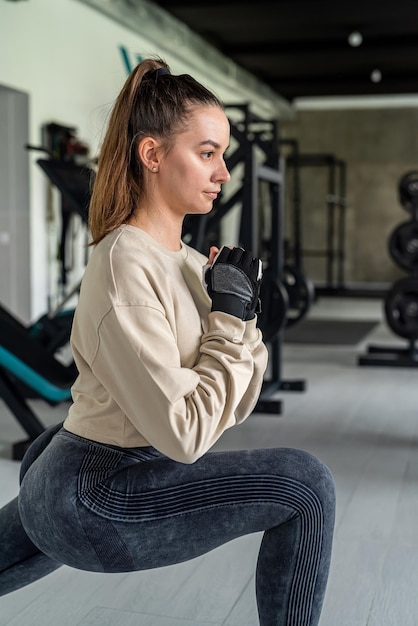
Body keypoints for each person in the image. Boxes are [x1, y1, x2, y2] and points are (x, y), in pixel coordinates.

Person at [0, 57, 335, 625]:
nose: (223, 172)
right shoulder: (125, 264)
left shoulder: (183, 263)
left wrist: (241, 316)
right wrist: (229, 325)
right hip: (94, 493)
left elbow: (234, 403)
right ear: (152, 155)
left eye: (221, 156)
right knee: (307, 486)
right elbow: (187, 434)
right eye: (207, 153)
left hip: (88, 467)